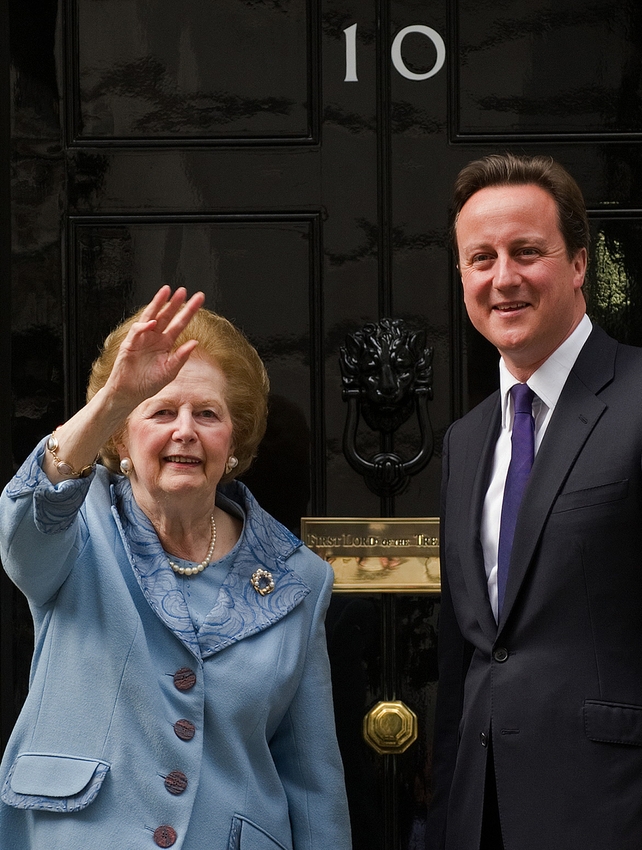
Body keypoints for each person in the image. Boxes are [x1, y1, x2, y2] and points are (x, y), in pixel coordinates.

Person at [0, 286, 351, 850]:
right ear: (121, 435)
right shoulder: (73, 529)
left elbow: (312, 783)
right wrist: (116, 395)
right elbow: (21, 533)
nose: (184, 430)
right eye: (160, 410)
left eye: (207, 414)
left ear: (232, 441)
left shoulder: (297, 580)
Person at [427, 153, 642, 850]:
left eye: (526, 251)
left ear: (579, 263)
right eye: (480, 258)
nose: (503, 278)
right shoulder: (465, 440)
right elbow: (468, 657)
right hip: (480, 815)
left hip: (612, 810)